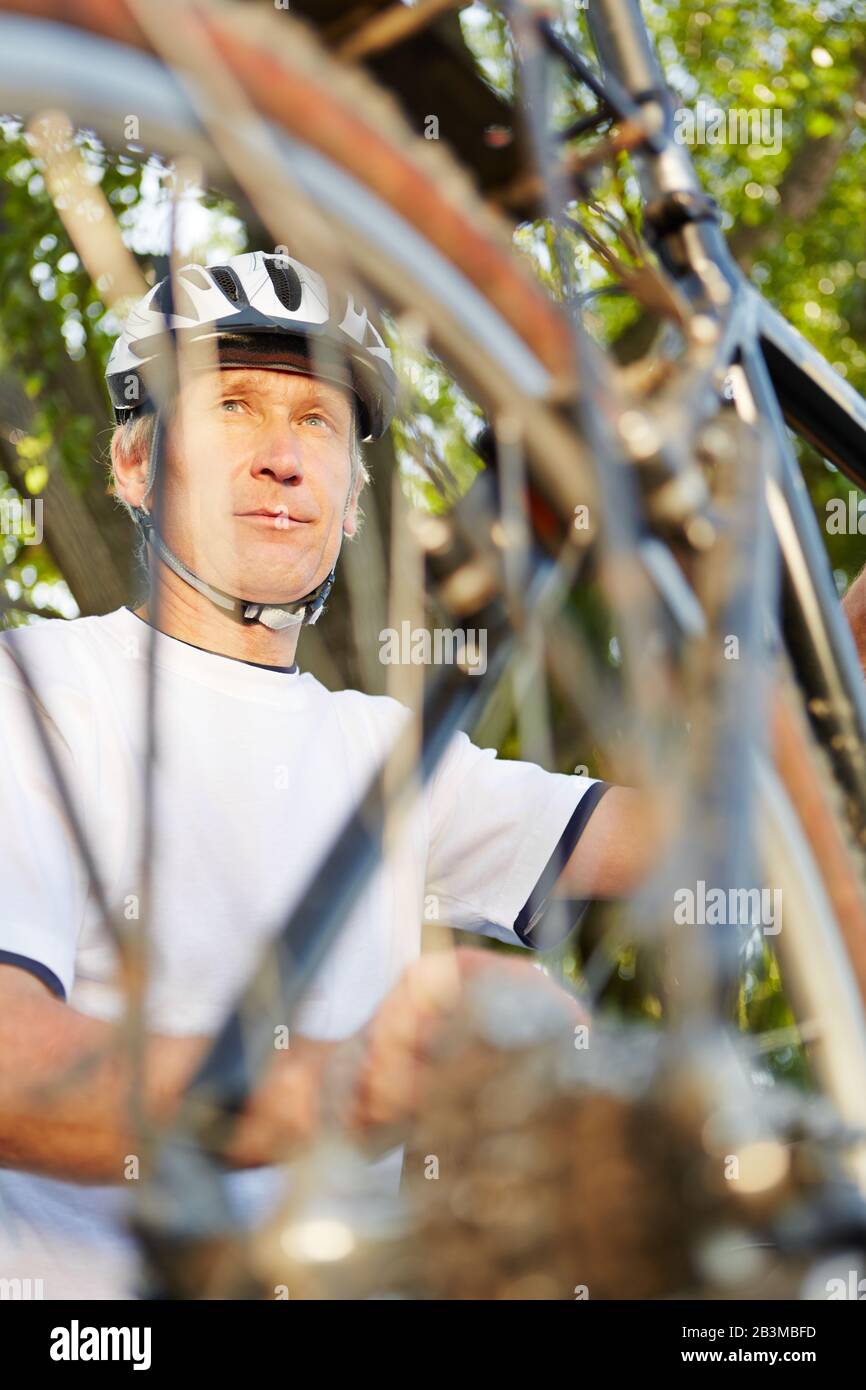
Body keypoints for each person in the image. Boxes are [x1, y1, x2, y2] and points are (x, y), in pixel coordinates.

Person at [0, 250, 656, 1299]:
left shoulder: (384, 749)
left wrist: (835, 654)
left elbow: (697, 823)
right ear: (130, 465)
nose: (280, 456)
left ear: (352, 497)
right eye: (233, 406)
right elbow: (11, 1070)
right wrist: (345, 1082)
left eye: (317, 423)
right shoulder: (33, 690)